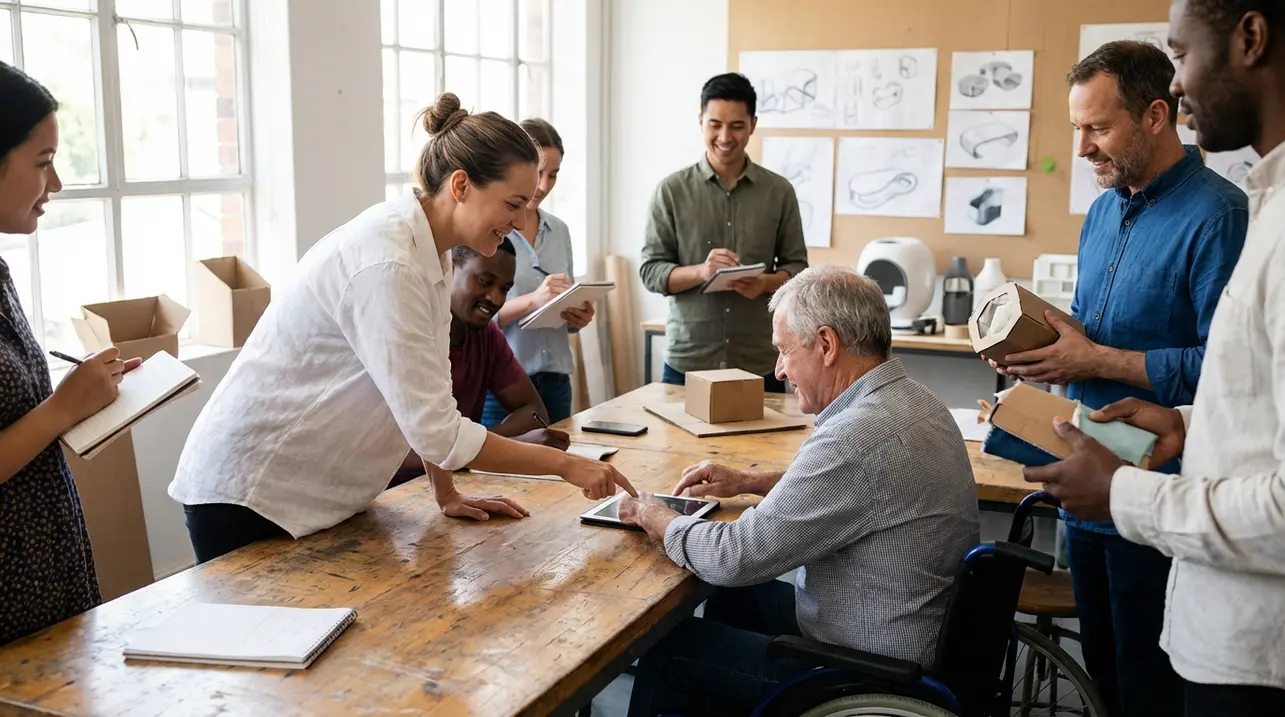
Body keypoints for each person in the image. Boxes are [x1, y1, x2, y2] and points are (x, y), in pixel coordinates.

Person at [169, 93, 635, 565]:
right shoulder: (388, 262)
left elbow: (433, 391)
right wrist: (567, 466)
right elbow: (442, 434)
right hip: (250, 490)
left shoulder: (429, 249)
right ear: (460, 185)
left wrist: (447, 493)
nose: (518, 222)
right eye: (513, 204)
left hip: (308, 491)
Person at [1025, 2, 1285, 715]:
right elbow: (1096, 337)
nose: (1082, 149)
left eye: (1097, 128)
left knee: (1149, 687)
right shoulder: (1102, 212)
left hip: (1166, 493)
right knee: (1106, 677)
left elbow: (1226, 371)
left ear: (1153, 118)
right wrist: (1044, 351)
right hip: (1092, 488)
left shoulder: (1221, 213)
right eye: (1075, 129)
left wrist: (1102, 359)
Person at [619, 266, 980, 717]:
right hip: (904, 628)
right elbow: (859, 489)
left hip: (869, 666)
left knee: (672, 647)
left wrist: (658, 517)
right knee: (735, 596)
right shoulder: (915, 402)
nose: (779, 369)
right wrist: (751, 481)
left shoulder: (858, 435)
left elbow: (737, 556)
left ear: (826, 345)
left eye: (784, 350)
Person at [0, 62, 142, 645]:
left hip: (44, 572)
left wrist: (87, 398)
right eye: (42, 163)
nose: (54, 185)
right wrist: (62, 408)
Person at [639, 73, 809, 393]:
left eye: (736, 126)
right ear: (700, 120)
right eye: (715, 124)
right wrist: (702, 272)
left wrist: (765, 284)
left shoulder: (779, 192)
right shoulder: (671, 191)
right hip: (689, 361)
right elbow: (650, 272)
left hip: (759, 362)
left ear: (753, 125)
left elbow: (798, 269)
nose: (725, 136)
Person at [389, 237, 571, 491]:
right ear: (450, 269)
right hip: (389, 495)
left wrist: (482, 448)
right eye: (484, 282)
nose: (495, 299)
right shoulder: (410, 334)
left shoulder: (486, 336)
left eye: (505, 289)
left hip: (453, 490)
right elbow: (396, 455)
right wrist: (506, 446)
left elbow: (533, 411)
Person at [481, 119, 589, 425]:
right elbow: (473, 321)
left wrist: (576, 317)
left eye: (553, 174)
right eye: (539, 173)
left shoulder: (560, 231)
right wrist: (532, 301)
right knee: (493, 473)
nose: (543, 185)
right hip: (503, 387)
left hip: (556, 381)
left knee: (558, 469)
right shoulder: (489, 233)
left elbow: (562, 313)